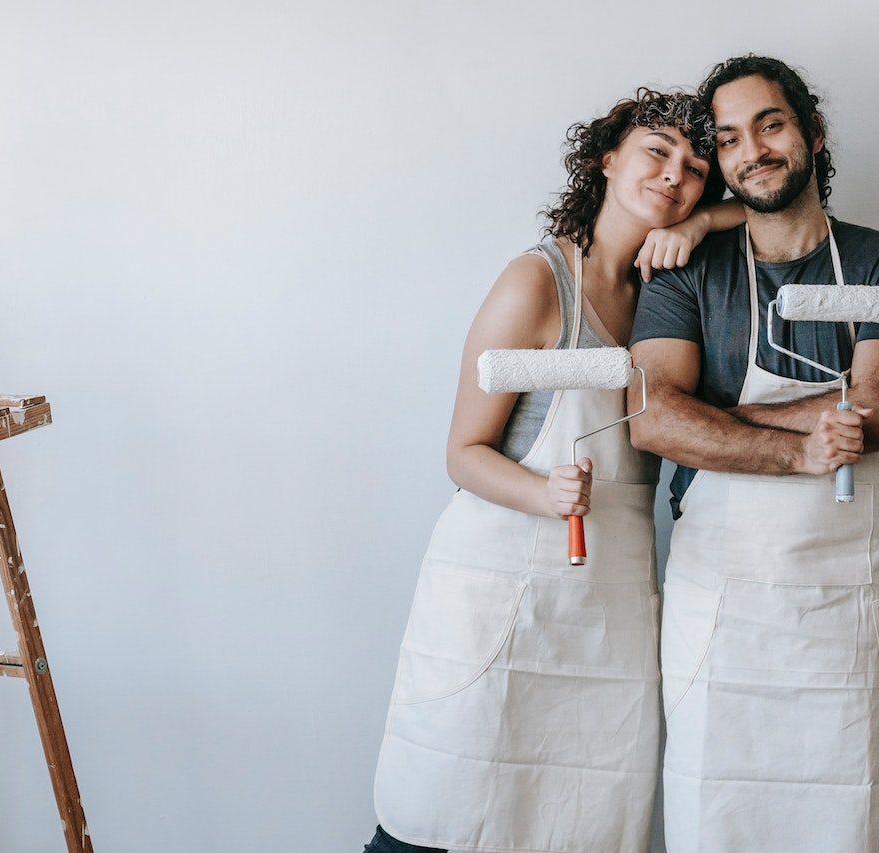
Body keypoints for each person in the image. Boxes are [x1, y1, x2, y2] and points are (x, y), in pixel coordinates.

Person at [366, 89, 738, 853]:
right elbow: (462, 452)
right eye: (656, 152)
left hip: (607, 605)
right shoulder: (538, 281)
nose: (675, 175)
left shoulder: (670, 293)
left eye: (697, 170)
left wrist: (703, 223)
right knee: (447, 800)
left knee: (575, 816)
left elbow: (772, 212)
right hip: (498, 588)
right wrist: (543, 493)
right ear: (607, 159)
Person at [629, 55, 879, 852]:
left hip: (846, 606)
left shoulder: (874, 262)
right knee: (720, 812)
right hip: (722, 602)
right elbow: (653, 418)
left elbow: (873, 406)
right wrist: (804, 443)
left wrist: (723, 421)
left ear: (809, 130)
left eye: (769, 124)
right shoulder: (685, 267)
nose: (752, 150)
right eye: (729, 139)